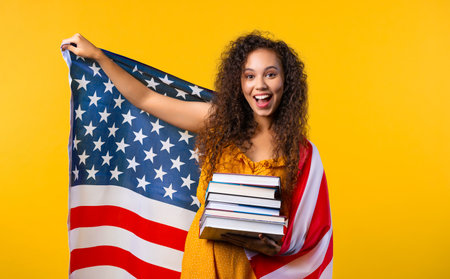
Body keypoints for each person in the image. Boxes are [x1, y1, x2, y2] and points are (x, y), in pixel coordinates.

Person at [61, 31, 324, 278]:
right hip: (205, 261)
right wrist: (99, 57)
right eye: (249, 76)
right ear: (239, 82)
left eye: (270, 74)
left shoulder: (301, 153)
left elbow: (304, 233)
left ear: (286, 81)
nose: (260, 85)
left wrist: (277, 247)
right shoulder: (218, 121)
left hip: (256, 269)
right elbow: (145, 99)